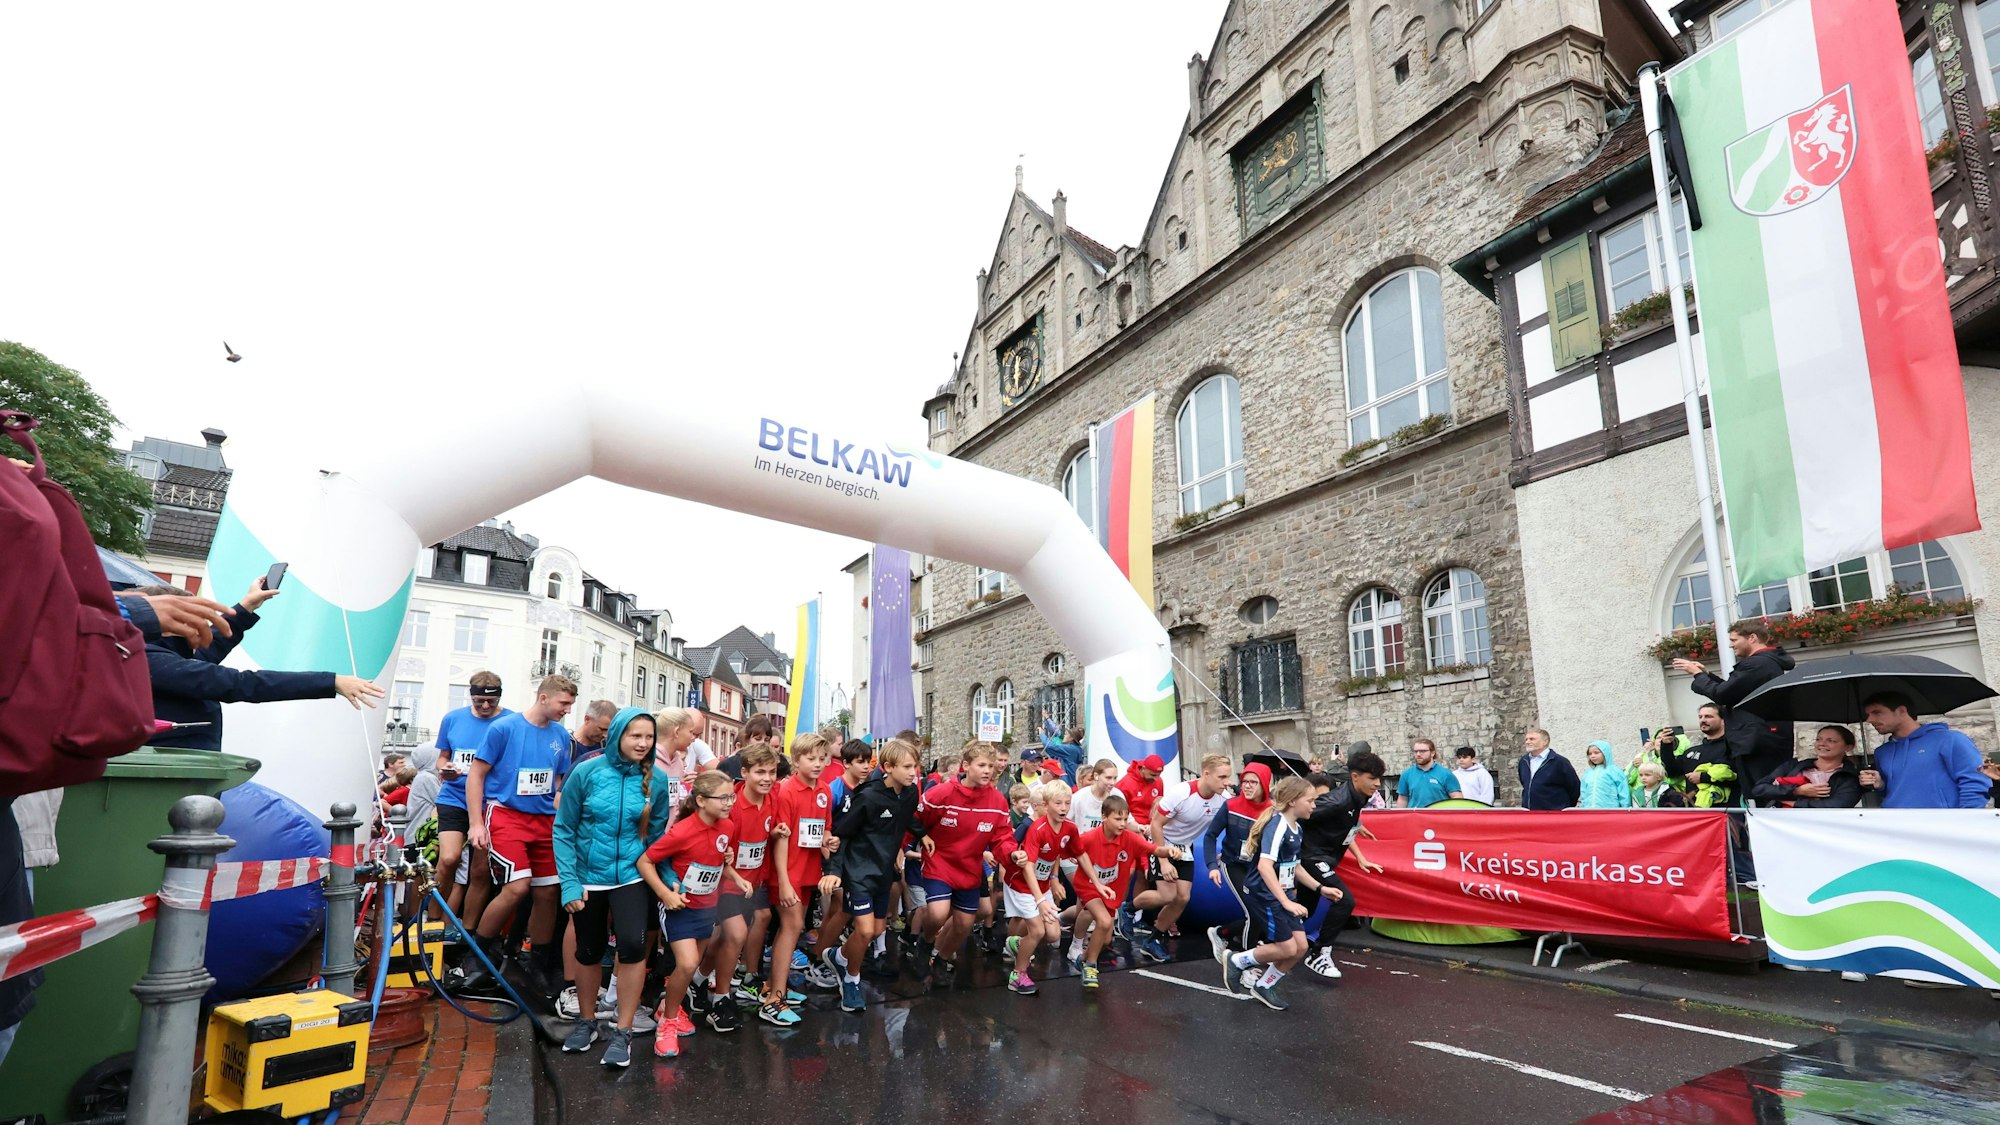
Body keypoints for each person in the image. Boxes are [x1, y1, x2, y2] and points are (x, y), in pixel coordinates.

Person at [553, 707, 672, 1068]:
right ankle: (587, 1021)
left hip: (632, 876)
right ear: (618, 734)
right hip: (588, 876)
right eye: (635, 735)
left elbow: (657, 840)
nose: (642, 743)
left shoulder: (659, 780)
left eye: (648, 737)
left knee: (634, 947)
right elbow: (563, 829)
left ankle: (622, 1032)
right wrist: (570, 883)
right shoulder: (586, 772)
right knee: (589, 950)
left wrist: (668, 881)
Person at [139, 579, 383, 750]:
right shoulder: (151, 661)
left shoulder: (159, 657)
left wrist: (247, 607)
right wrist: (330, 681)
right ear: (171, 622)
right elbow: (242, 683)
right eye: (193, 616)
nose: (202, 623)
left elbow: (210, 649)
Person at [459, 674, 577, 999]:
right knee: (516, 887)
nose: (567, 710)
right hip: (506, 814)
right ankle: (478, 954)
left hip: (543, 820)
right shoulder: (504, 728)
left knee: (548, 892)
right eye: (563, 703)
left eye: (570, 704)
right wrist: (475, 823)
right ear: (543, 698)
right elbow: (477, 775)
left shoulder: (561, 737)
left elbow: (557, 784)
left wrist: (563, 816)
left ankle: (537, 963)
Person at [637, 769, 743, 1059]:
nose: (729, 803)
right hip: (680, 907)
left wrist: (735, 875)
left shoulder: (727, 827)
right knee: (687, 964)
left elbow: (720, 861)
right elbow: (646, 861)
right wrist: (665, 894)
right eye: (722, 798)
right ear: (700, 800)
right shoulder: (682, 831)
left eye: (731, 797)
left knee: (689, 967)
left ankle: (667, 1008)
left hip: (707, 907)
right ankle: (667, 1024)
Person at [819, 738, 926, 1013]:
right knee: (865, 930)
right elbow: (841, 835)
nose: (913, 772)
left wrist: (922, 834)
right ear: (888, 767)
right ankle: (851, 980)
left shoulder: (910, 792)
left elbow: (904, 815)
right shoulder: (867, 796)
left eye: (915, 766)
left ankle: (838, 956)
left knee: (877, 930)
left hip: (884, 872)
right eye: (907, 766)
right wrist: (833, 871)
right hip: (859, 873)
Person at [915, 741, 1021, 982]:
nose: (987, 770)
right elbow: (916, 820)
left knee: (964, 924)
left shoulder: (997, 801)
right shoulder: (941, 793)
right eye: (981, 765)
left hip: (969, 868)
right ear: (966, 766)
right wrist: (907, 846)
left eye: (991, 766)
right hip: (939, 862)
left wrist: (1012, 854)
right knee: (938, 912)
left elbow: (1003, 837)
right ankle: (926, 941)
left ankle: (941, 959)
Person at [1672, 619, 1798, 798]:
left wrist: (1697, 674)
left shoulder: (1756, 664)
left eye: (1734, 640)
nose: (1731, 646)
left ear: (1752, 638)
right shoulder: (1766, 663)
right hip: (1762, 739)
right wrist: (1707, 675)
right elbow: (1733, 693)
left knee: (1761, 795)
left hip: (1756, 742)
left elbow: (1722, 695)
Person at [1130, 753, 1235, 959]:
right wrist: (1162, 860)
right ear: (1206, 774)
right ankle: (1127, 908)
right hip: (1161, 842)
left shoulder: (1225, 799)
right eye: (1222, 777)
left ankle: (1153, 939)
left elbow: (1231, 826)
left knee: (1182, 898)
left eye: (1228, 777)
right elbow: (1156, 825)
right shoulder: (1182, 792)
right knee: (1167, 896)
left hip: (1184, 847)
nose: (1227, 782)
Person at [1223, 776, 1315, 1010]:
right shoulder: (1277, 825)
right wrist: (1286, 902)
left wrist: (1321, 888)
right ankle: (1237, 960)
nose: (1314, 805)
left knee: (1301, 947)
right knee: (1287, 948)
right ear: (1293, 801)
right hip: (1265, 894)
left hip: (1282, 894)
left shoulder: (1297, 828)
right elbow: (1265, 866)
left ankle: (1264, 985)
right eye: (1310, 800)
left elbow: (1296, 866)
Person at [711, 744, 783, 1029]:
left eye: (772, 772)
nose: (767, 778)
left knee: (752, 923)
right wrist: (733, 875)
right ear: (744, 773)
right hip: (727, 882)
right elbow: (718, 850)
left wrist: (777, 831)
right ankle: (720, 996)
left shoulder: (771, 799)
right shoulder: (732, 807)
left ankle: (733, 979)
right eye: (760, 772)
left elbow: (769, 830)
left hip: (755, 880)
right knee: (732, 935)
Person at [764, 732, 834, 1024]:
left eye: (822, 758)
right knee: (792, 927)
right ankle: (773, 999)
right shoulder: (787, 791)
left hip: (808, 871)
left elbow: (823, 830)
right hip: (788, 871)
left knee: (791, 930)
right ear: (795, 760)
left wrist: (829, 842)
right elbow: (781, 838)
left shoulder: (826, 791)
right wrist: (783, 880)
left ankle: (776, 987)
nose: (818, 764)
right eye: (811, 758)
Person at [1068, 793, 1172, 990]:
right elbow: (1071, 849)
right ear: (1104, 817)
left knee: (1105, 938)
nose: (1123, 823)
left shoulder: (1130, 839)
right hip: (1089, 885)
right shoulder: (1090, 838)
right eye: (1118, 818)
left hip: (1112, 891)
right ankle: (1090, 965)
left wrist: (1170, 851)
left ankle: (1083, 957)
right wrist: (1064, 868)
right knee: (1104, 921)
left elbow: (1154, 849)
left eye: (1125, 818)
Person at [1296, 756, 1386, 979]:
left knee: (1301, 912)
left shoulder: (1359, 797)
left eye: (1380, 779)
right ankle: (1319, 953)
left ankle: (1229, 933)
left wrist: (1356, 826)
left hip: (1324, 857)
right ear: (1355, 777)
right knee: (1345, 900)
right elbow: (1298, 815)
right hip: (1312, 858)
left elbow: (1342, 821)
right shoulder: (1338, 802)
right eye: (1373, 778)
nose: (1378, 784)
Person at [434, 673, 512, 926]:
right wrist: (445, 769)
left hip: (489, 802)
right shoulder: (453, 718)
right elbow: (443, 757)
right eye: (479, 701)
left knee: (480, 872)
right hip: (455, 796)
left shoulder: (511, 720)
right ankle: (432, 921)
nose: (486, 706)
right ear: (471, 696)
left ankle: (467, 931)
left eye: (491, 701)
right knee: (448, 859)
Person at [998, 781, 1079, 996]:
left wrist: (1053, 878)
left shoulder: (1061, 827)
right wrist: (1005, 868)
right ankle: (1018, 973)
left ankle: (1016, 944)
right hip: (1021, 882)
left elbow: (1054, 853)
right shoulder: (1029, 827)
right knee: (1034, 928)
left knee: (1052, 935)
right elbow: (1010, 849)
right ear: (1042, 805)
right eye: (1056, 803)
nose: (1062, 808)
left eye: (1066, 804)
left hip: (1040, 884)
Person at [1857, 692, 1990, 808]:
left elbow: (1975, 782)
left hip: (1943, 826)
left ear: (1901, 711)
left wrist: (1965, 821)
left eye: (1876, 712)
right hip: (1896, 826)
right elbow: (1897, 791)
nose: (1869, 720)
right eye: (1867, 714)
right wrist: (1881, 785)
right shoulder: (1882, 752)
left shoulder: (1949, 739)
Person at [1204, 761, 1272, 960]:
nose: (1248, 786)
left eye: (1254, 782)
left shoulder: (1272, 811)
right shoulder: (1231, 805)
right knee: (1253, 912)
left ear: (1265, 784)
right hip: (1233, 864)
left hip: (1259, 868)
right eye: (1245, 781)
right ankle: (1242, 961)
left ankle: (1221, 933)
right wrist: (1212, 866)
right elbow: (1210, 836)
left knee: (1264, 914)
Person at [1753, 726, 1863, 809]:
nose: (1822, 744)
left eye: (1831, 741)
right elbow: (1759, 789)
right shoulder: (1794, 765)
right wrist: (1796, 791)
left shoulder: (1850, 776)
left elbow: (1837, 805)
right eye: (1818, 739)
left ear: (1848, 747)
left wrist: (1795, 803)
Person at [1667, 704, 1741, 809]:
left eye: (1708, 716)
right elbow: (1671, 772)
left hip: (1726, 813)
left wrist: (1703, 777)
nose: (1703, 720)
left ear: (1723, 720)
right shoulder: (1691, 752)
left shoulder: (1733, 747)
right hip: (1697, 814)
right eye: (1700, 717)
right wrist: (1666, 746)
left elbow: (1739, 777)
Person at [1516, 728, 1580, 810]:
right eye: (1526, 739)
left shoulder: (1559, 761)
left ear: (1545, 742)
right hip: (1530, 813)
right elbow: (1525, 784)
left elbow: (1574, 787)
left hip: (1554, 814)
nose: (1527, 742)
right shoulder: (1523, 761)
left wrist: (1563, 807)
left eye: (1532, 739)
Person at [1395, 738, 1462, 808]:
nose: (1418, 754)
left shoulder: (1446, 774)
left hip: (1439, 817)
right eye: (1415, 751)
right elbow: (1402, 799)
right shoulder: (1406, 774)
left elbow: (1457, 798)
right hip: (1415, 817)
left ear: (1433, 753)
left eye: (1422, 751)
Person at [1629, 727, 1690, 796]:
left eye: (1665, 738)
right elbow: (1626, 779)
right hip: (1640, 798)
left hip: (1667, 798)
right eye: (1658, 738)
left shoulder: (1677, 760)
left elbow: (1671, 780)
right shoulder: (1643, 756)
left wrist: (1645, 767)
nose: (1660, 740)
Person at [1577, 740, 1630, 808]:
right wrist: (1583, 807)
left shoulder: (1615, 771)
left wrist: (1625, 809)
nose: (1592, 756)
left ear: (1606, 753)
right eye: (1590, 754)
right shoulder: (1588, 773)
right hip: (1589, 811)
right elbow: (1583, 793)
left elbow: (1623, 792)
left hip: (1610, 812)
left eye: (1596, 753)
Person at [566, 700, 618, 768]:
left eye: (609, 731)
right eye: (602, 729)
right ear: (587, 719)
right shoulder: (567, 745)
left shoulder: (607, 747)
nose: (605, 735)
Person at [1070, 759, 1118, 831]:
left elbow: (1128, 822)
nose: (1112, 782)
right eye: (1108, 778)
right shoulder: (1078, 798)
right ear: (1096, 776)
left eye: (1115, 778)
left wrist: (1138, 827)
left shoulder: (1118, 796)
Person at [1039, 717, 1086, 785]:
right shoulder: (1074, 748)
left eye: (1066, 734)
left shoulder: (1072, 749)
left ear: (1071, 738)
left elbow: (1050, 747)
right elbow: (1054, 754)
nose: (1064, 735)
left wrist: (1042, 734)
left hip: (1069, 782)